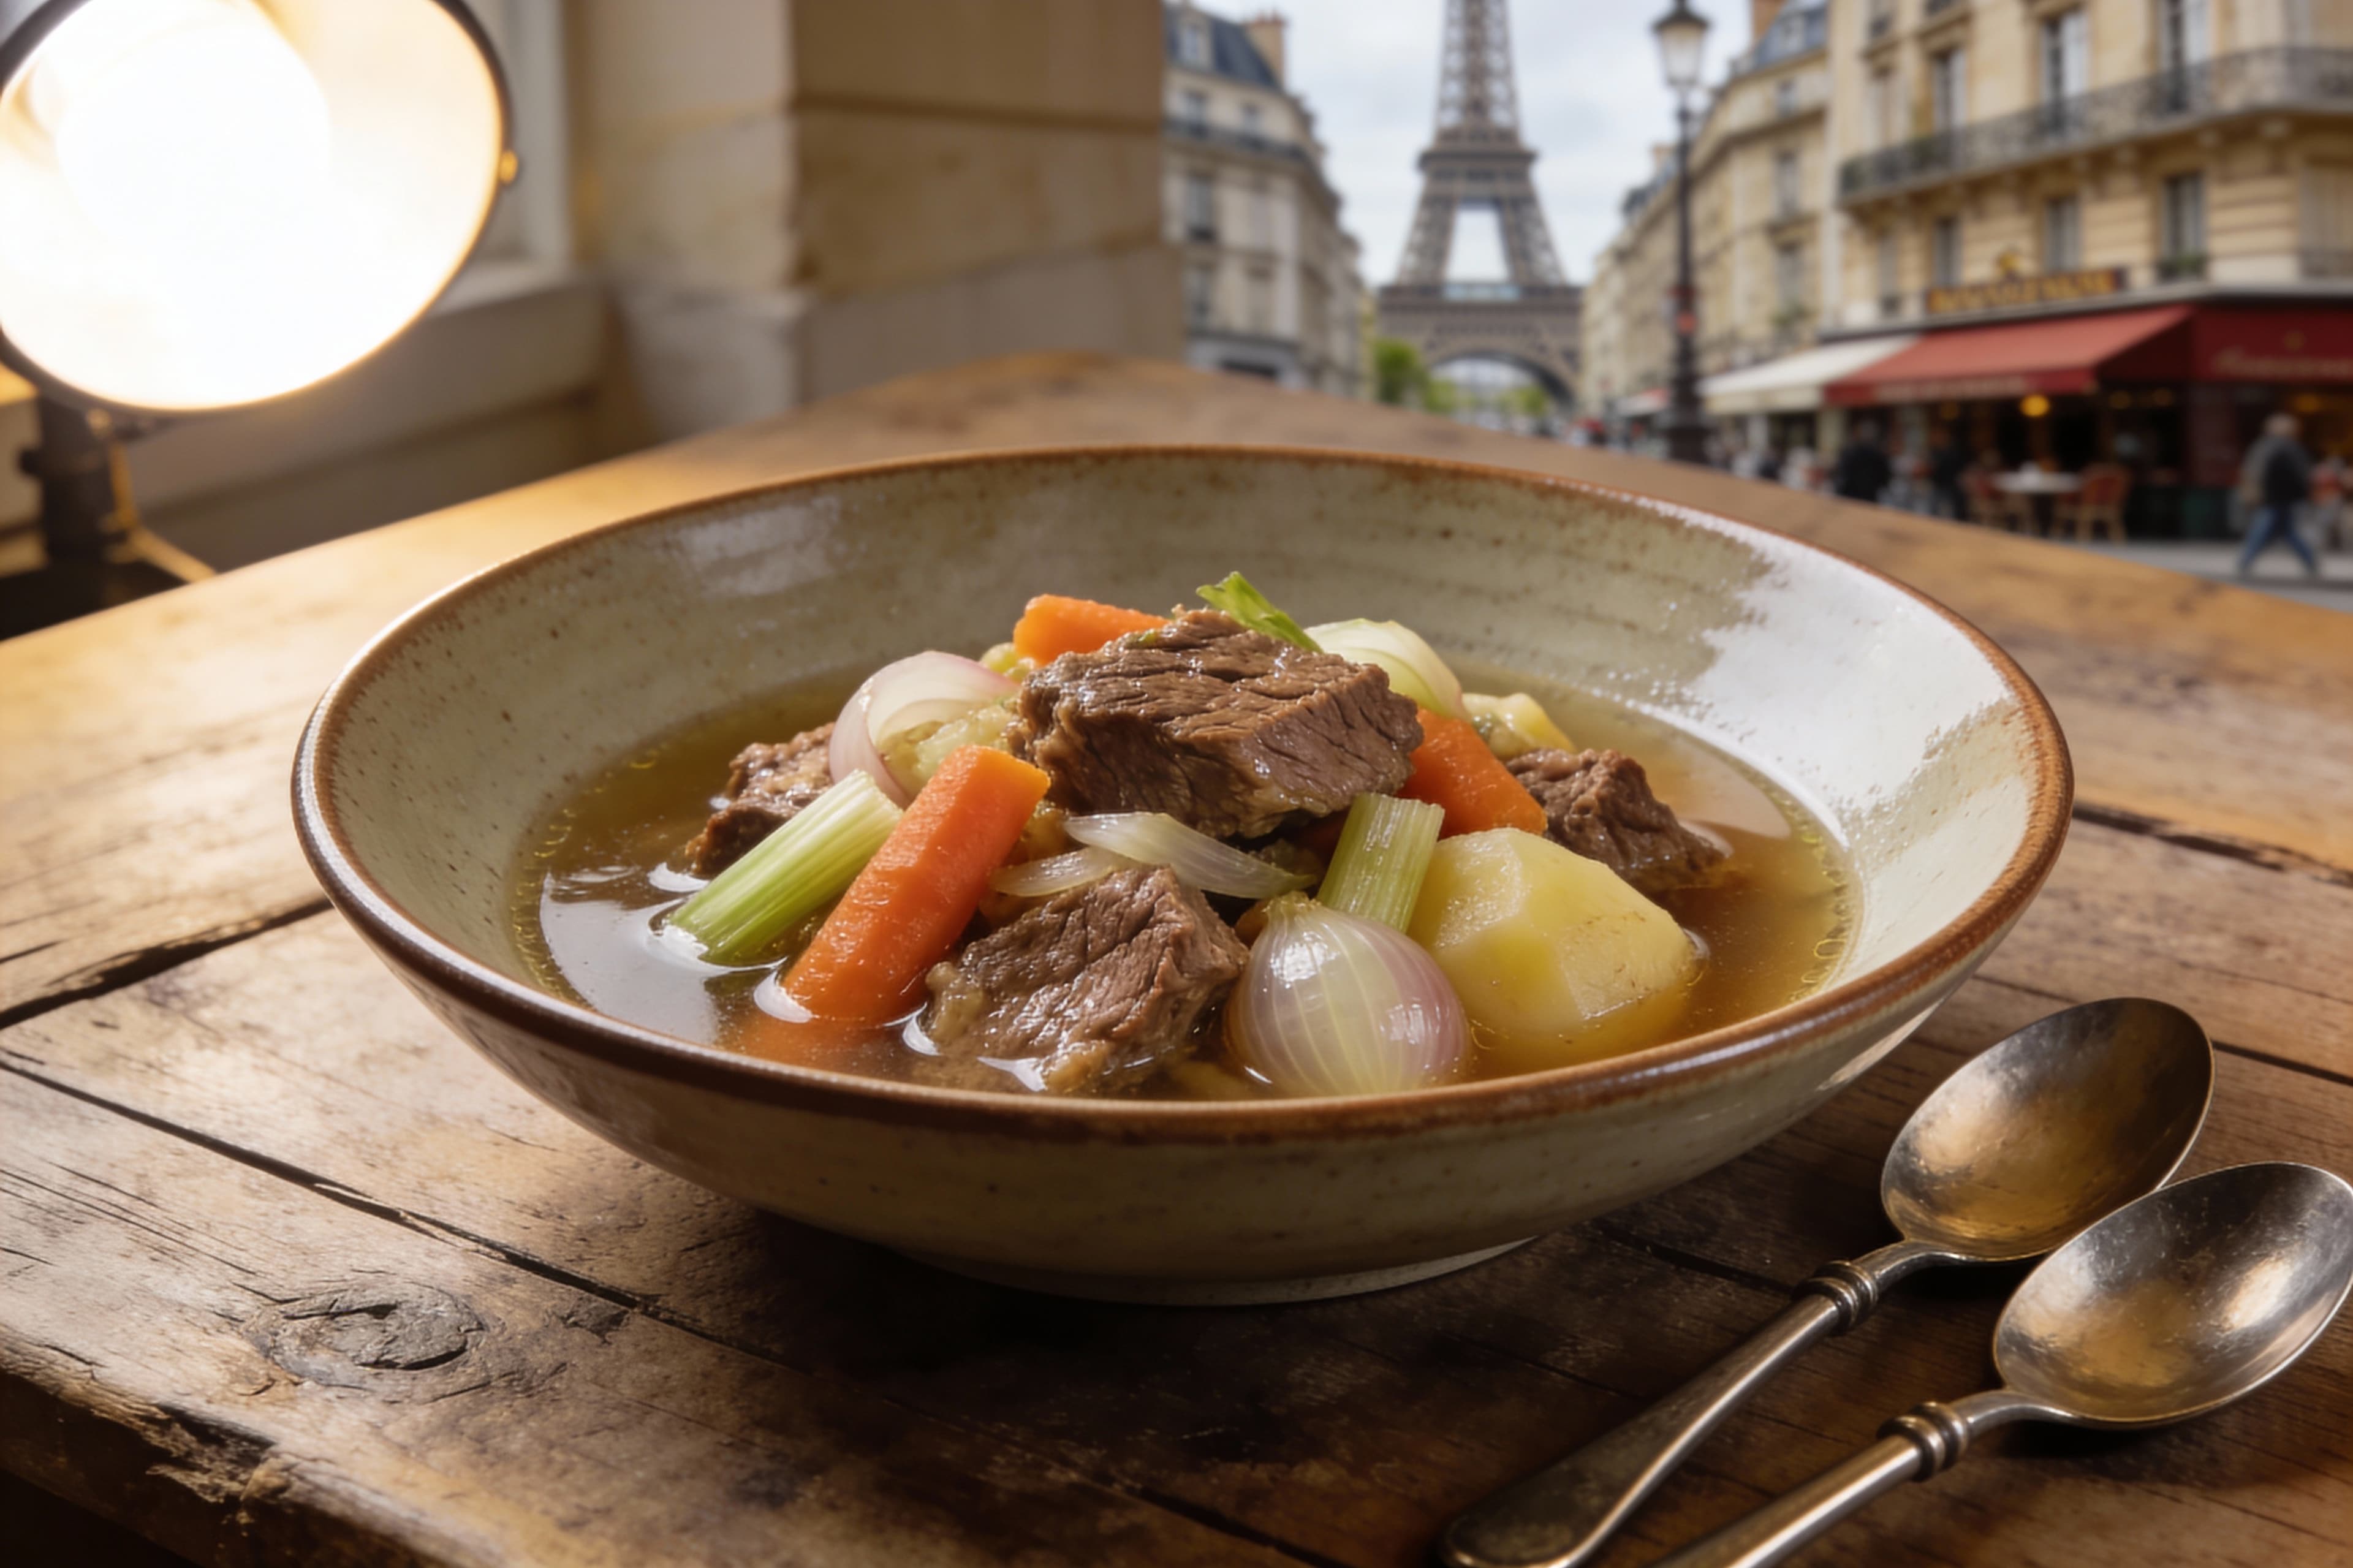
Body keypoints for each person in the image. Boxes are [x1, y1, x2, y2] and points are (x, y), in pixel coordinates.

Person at [2237, 412, 2320, 577]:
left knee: (2275, 530)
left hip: (2278, 497)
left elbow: (2253, 470)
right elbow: (2300, 474)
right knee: (2275, 530)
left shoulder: (2273, 446)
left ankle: (2246, 561)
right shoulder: (2282, 447)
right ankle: (2246, 561)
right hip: (2276, 497)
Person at [1830, 420, 1893, 503]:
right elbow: (1885, 477)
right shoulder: (1878, 453)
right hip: (1869, 495)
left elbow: (1842, 474)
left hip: (1851, 495)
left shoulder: (1850, 452)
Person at [1928, 428, 1970, 520]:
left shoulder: (1952, 452)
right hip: (1939, 485)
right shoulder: (1936, 451)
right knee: (1935, 509)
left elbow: (1960, 469)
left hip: (1950, 485)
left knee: (1953, 509)